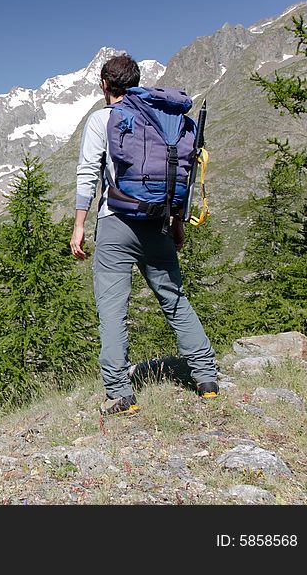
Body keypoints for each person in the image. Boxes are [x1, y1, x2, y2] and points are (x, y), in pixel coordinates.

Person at [70, 54, 219, 415]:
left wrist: (78, 225)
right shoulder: (167, 121)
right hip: (158, 223)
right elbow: (177, 177)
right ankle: (206, 378)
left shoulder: (102, 119)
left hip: (115, 224)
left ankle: (121, 394)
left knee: (112, 309)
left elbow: (89, 173)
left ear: (105, 84)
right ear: (135, 82)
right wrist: (178, 224)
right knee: (174, 299)